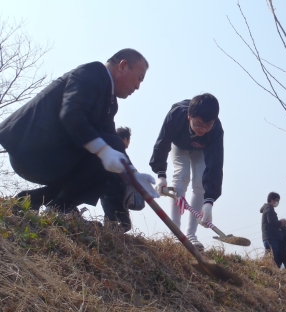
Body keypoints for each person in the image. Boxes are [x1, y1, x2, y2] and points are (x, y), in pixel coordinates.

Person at [0, 49, 158, 225]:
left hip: (50, 154)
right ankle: (61, 208)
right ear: (122, 66)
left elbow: (113, 142)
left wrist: (132, 174)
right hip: (31, 149)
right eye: (139, 78)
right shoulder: (92, 73)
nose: (137, 87)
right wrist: (104, 151)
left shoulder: (110, 102)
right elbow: (71, 115)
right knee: (108, 150)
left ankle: (34, 201)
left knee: (112, 153)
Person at [150, 94, 223, 251]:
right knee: (181, 176)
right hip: (180, 146)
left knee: (199, 182)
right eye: (198, 124)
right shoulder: (176, 115)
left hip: (201, 150)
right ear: (189, 116)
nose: (202, 130)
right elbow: (162, 143)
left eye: (208, 125)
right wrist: (161, 175)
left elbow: (215, 164)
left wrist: (209, 201)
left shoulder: (216, 129)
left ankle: (190, 234)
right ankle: (175, 232)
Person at [260, 192, 283, 268]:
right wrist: (280, 223)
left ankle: (263, 267)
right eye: (276, 200)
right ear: (271, 200)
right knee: (272, 258)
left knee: (269, 255)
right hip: (271, 237)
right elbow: (272, 222)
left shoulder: (267, 209)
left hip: (268, 237)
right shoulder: (269, 209)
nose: (277, 202)